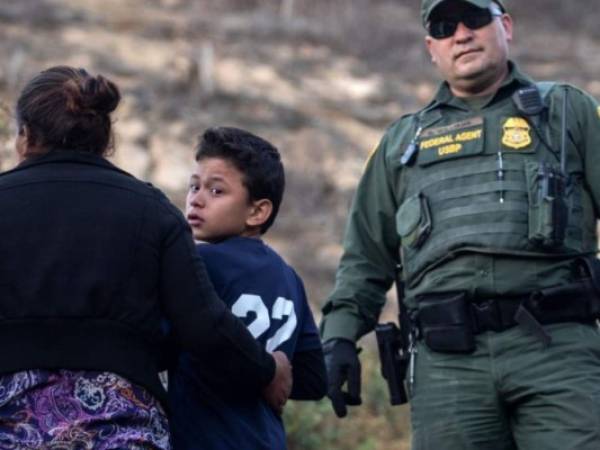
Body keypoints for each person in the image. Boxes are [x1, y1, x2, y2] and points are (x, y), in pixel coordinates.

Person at [320, 1, 600, 449]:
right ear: (432, 48)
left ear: (505, 26)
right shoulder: (400, 144)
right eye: (446, 26)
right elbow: (364, 260)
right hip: (449, 366)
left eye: (474, 19)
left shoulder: (569, 110)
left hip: (557, 352)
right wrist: (337, 340)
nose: (462, 34)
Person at [0, 66, 292, 449]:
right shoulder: (151, 209)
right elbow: (203, 323)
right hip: (122, 428)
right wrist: (268, 368)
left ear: (25, 135)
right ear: (105, 137)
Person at [168, 126, 327, 450]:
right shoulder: (288, 278)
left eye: (216, 191)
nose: (196, 199)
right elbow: (313, 380)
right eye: (194, 186)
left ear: (257, 211)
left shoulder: (198, 265)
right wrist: (273, 369)